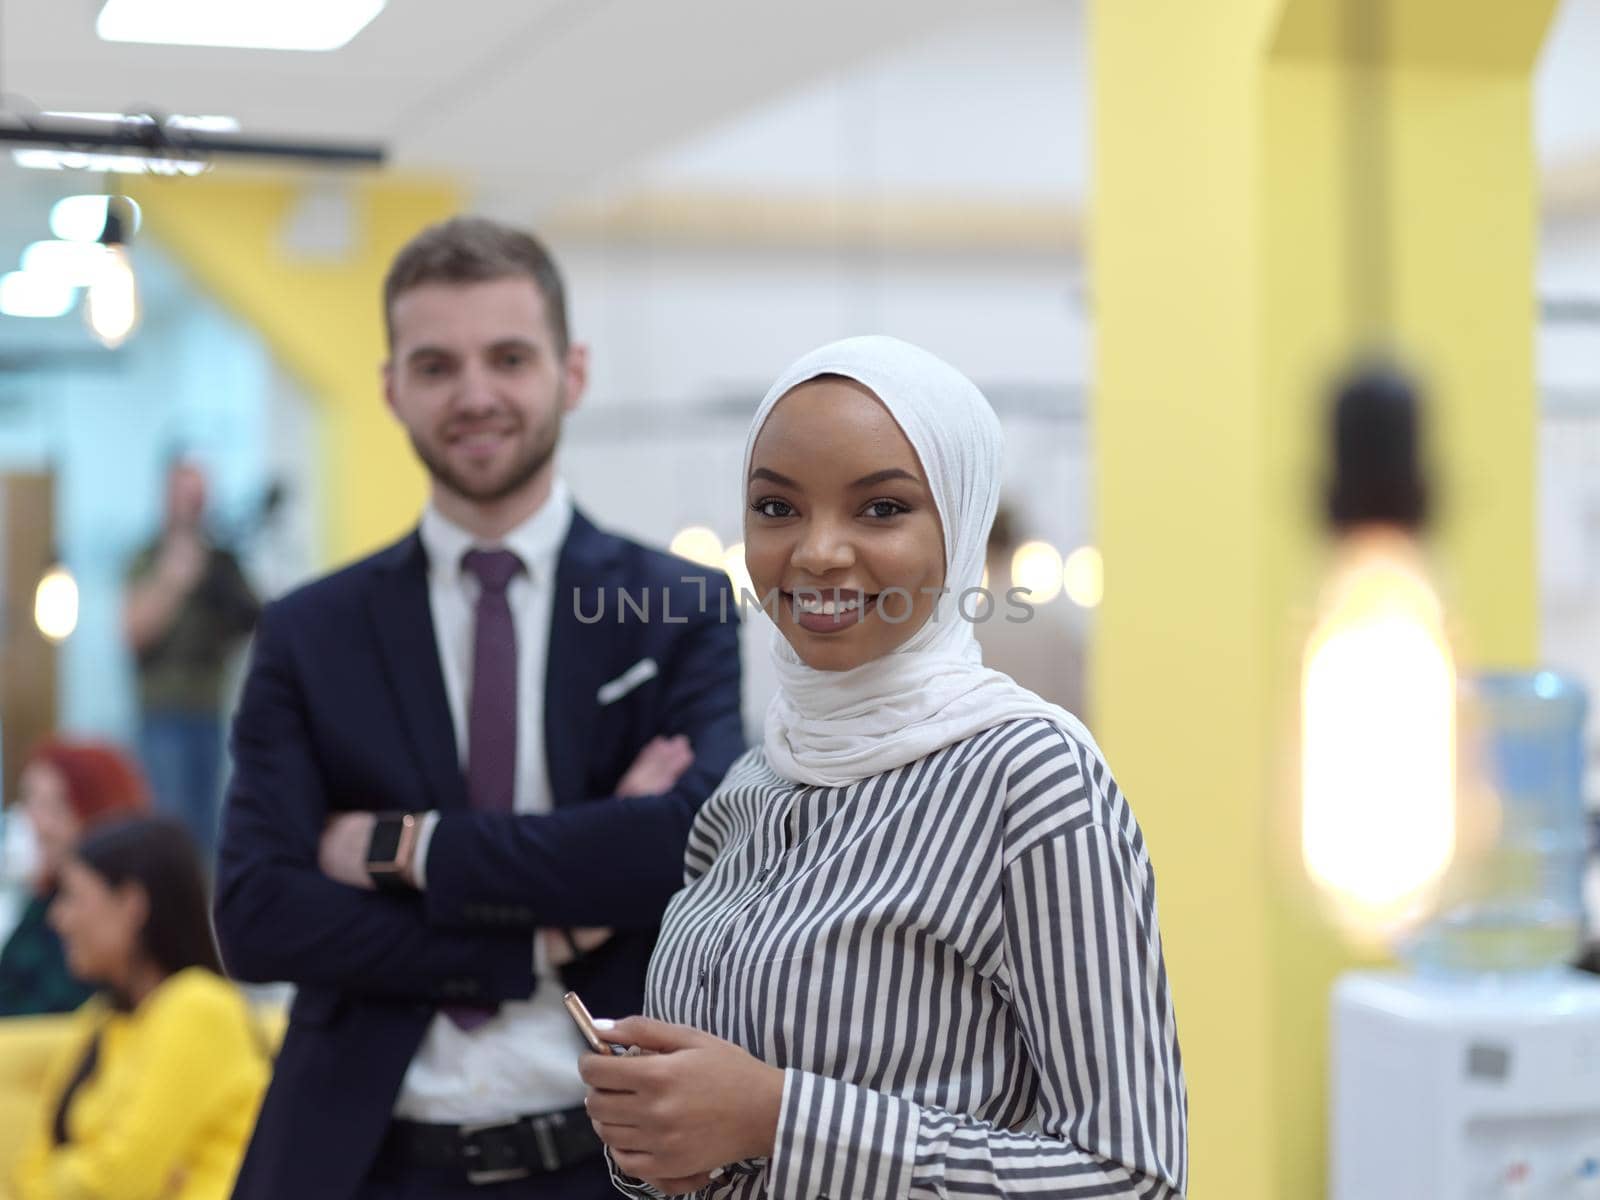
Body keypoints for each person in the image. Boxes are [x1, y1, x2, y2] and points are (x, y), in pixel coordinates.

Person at [581, 337, 1188, 1198]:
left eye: (880, 510)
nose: (819, 552)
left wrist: (780, 1118)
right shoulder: (750, 788)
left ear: (962, 524)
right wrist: (655, 1136)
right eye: (777, 508)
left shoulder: (1029, 778)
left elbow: (1134, 1177)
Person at [214, 216, 745, 1200]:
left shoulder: (674, 609)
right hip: (364, 1160)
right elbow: (258, 916)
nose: (475, 396)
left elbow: (683, 850)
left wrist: (409, 853)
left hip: (611, 1160)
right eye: (435, 365)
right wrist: (538, 937)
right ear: (391, 390)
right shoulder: (308, 631)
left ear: (570, 372)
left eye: (508, 357)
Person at [11, 817, 269, 1200]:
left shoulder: (199, 1007)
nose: (59, 918)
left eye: (75, 898)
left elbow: (119, 1184)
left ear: (131, 904)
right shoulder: (101, 1016)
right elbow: (31, 1160)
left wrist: (66, 1173)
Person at [123, 461, 262, 859]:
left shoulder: (219, 561)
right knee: (167, 824)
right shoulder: (146, 556)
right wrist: (173, 578)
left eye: (199, 495)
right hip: (162, 712)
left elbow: (251, 619)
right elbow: (133, 633)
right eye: (185, 494)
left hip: (209, 706)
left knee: (205, 827)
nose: (193, 504)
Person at [0, 740, 150, 1017]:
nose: (38, 823)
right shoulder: (44, 900)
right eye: (31, 803)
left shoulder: (113, 915)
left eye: (56, 807)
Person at [976, 503, 1090, 721]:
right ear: (1017, 544)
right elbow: (1079, 706)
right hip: (1049, 746)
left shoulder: (962, 630)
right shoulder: (1054, 628)